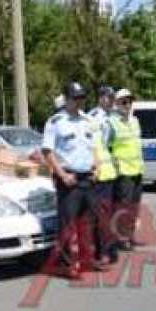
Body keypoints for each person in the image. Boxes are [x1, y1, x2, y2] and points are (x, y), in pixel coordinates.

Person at [42, 81, 100, 278]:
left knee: (88, 222)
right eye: (75, 98)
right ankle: (67, 265)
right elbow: (47, 152)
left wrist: (96, 168)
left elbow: (93, 147)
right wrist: (62, 174)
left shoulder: (87, 120)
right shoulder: (56, 122)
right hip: (69, 178)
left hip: (87, 178)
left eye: (81, 97)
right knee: (67, 224)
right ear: (66, 99)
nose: (79, 101)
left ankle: (85, 260)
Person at [106, 88, 145, 250]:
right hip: (123, 172)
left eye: (129, 101)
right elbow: (105, 147)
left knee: (134, 206)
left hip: (137, 170)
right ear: (116, 104)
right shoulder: (111, 123)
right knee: (123, 207)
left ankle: (130, 235)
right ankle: (122, 239)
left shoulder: (135, 121)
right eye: (123, 102)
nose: (127, 104)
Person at [88, 85, 119, 266]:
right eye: (108, 97)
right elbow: (92, 146)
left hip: (109, 174)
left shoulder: (110, 118)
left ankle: (109, 250)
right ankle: (101, 253)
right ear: (100, 98)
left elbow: (109, 145)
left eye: (112, 98)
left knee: (108, 215)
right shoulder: (94, 117)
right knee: (100, 216)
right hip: (99, 175)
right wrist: (95, 168)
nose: (110, 101)